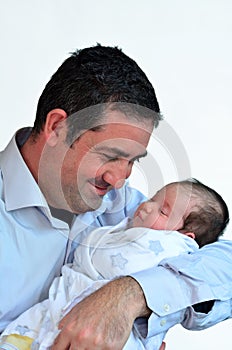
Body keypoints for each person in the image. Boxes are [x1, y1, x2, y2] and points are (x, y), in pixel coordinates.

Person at [0, 44, 232, 350]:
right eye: (110, 155)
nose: (119, 179)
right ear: (57, 126)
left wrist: (129, 296)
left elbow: (222, 259)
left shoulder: (121, 207)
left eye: (133, 161)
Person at [0, 178, 229, 350]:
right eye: (153, 199)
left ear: (184, 236)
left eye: (162, 210)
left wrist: (134, 292)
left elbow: (225, 261)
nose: (146, 206)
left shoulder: (166, 244)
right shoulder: (133, 219)